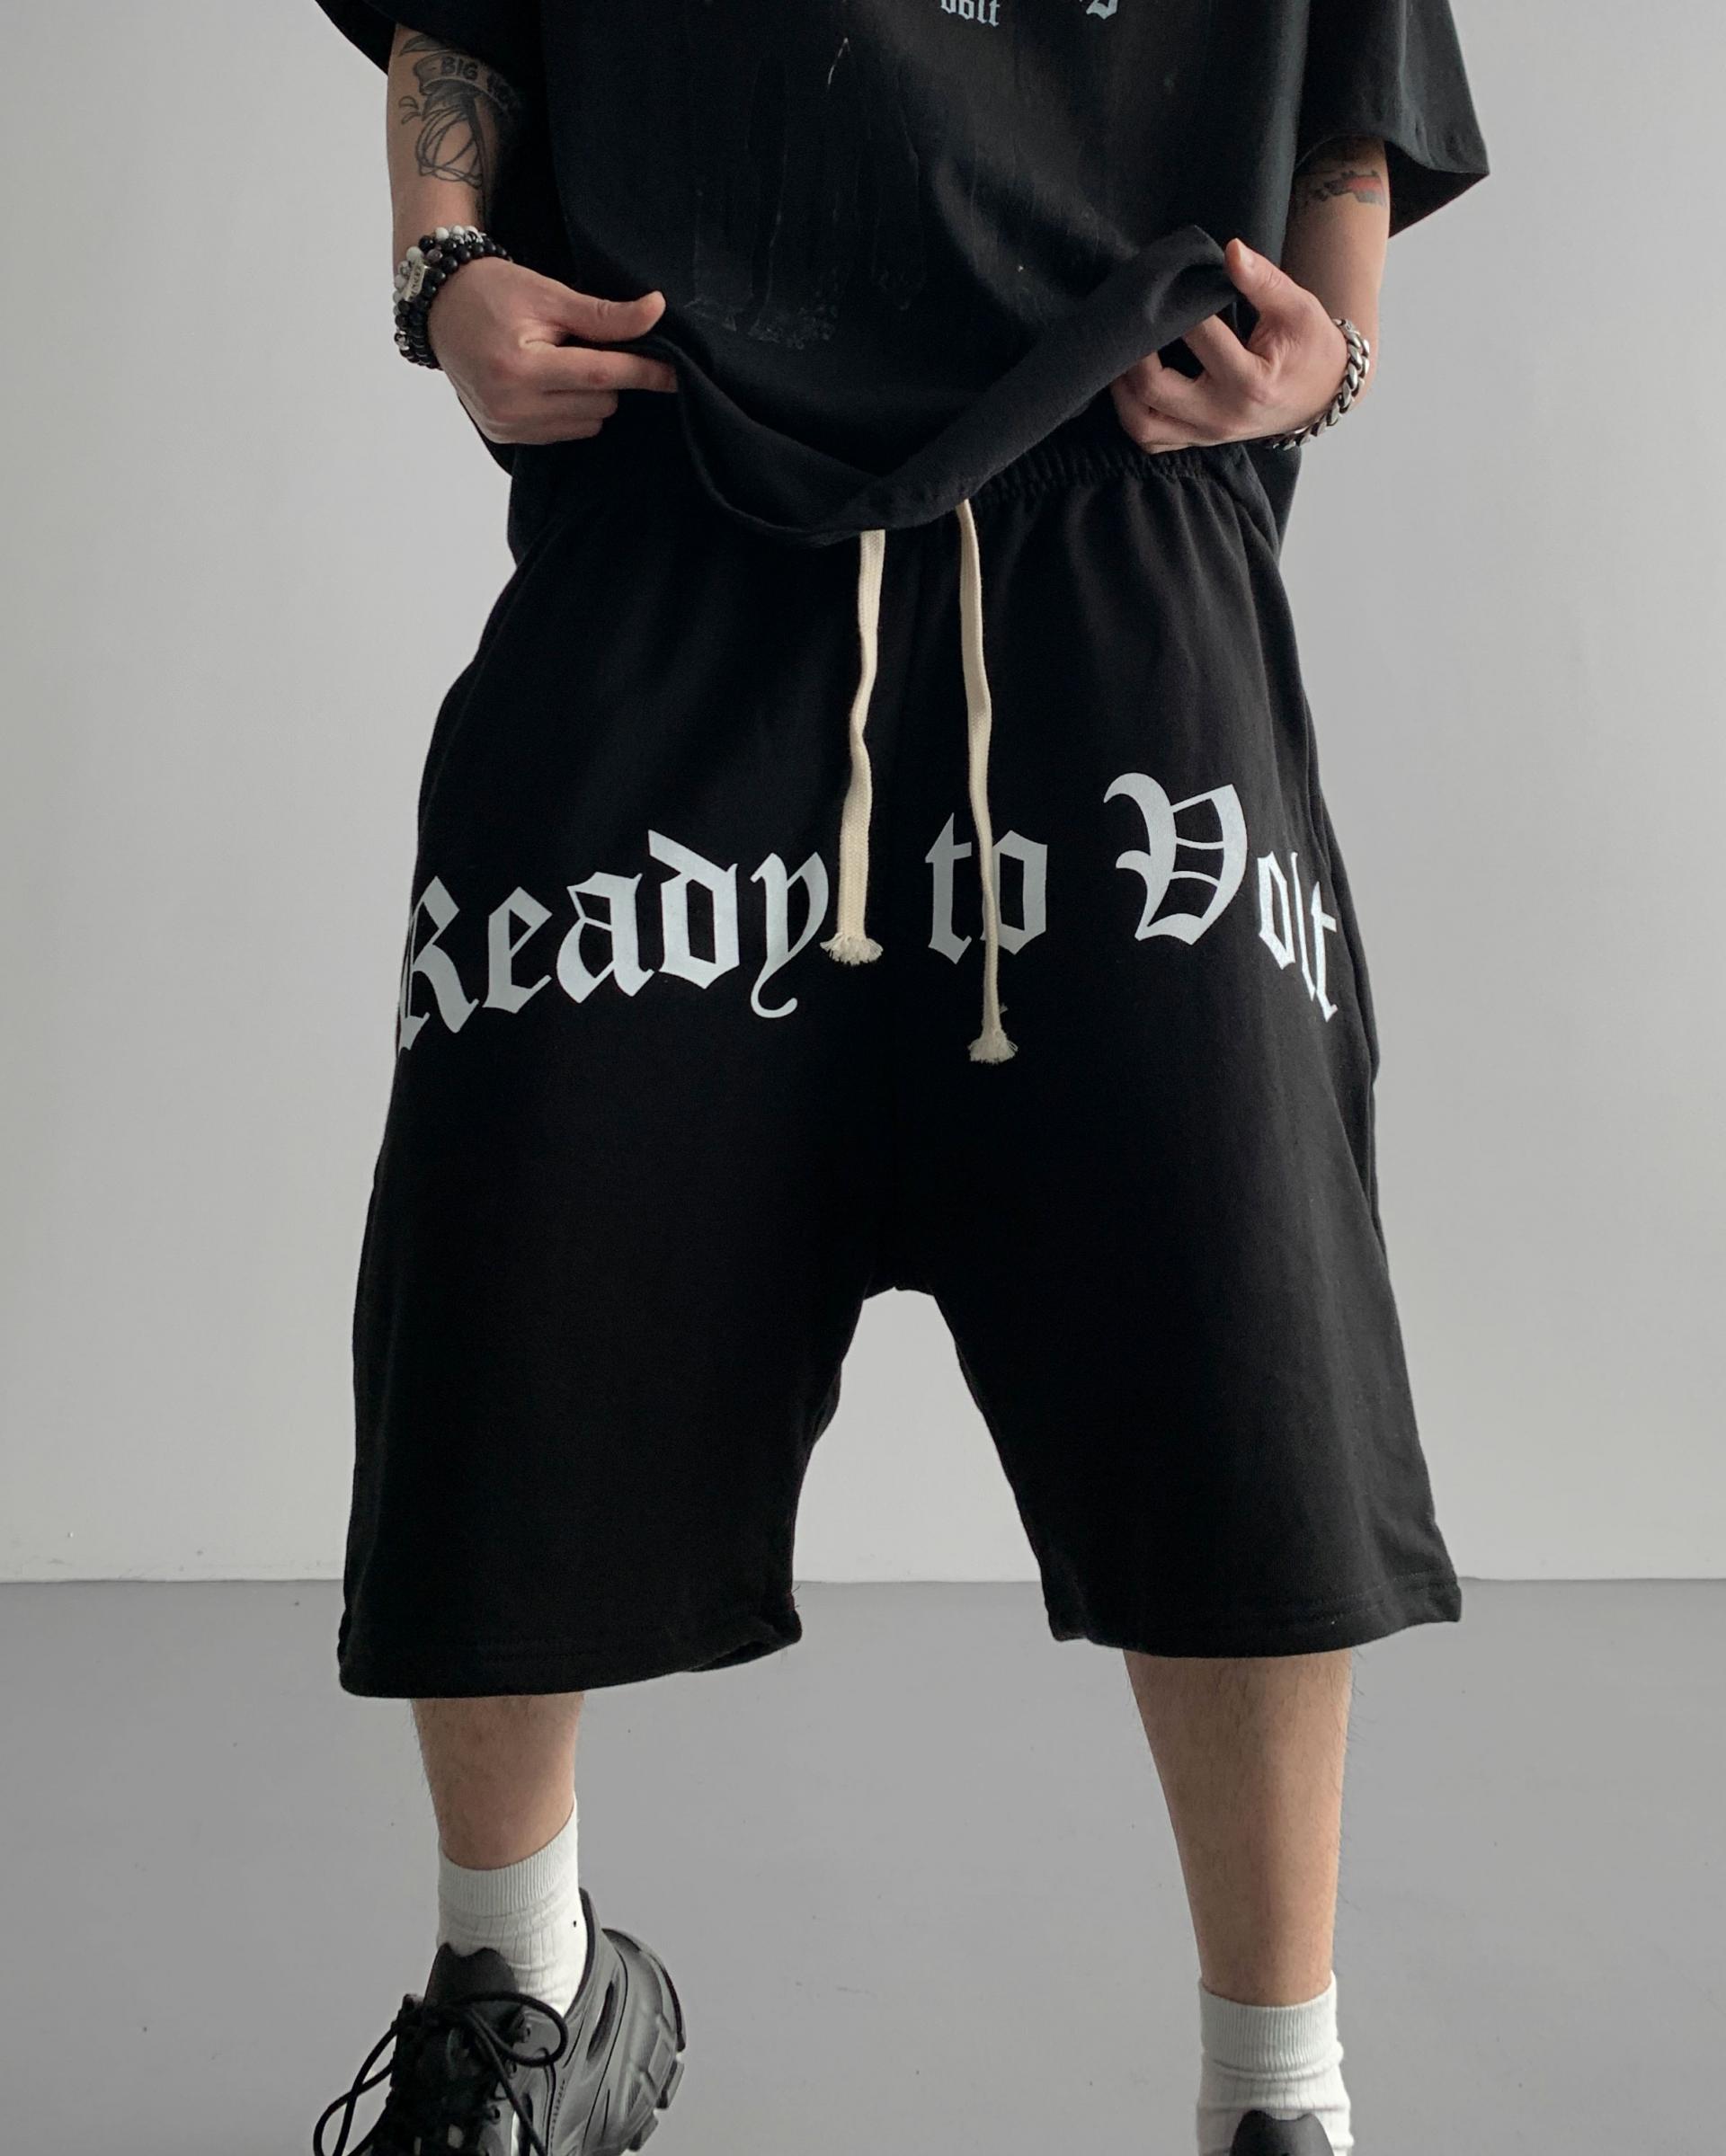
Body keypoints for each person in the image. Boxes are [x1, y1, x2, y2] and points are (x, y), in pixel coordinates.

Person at [306, 5, 1489, 2153]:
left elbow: (1352, 68)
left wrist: (1337, 347)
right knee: (518, 1259)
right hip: (672, 497)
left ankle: (1280, 2101)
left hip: (1118, 532)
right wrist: (445, 270)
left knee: (1234, 1325)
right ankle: (521, 1990)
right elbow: (454, 22)